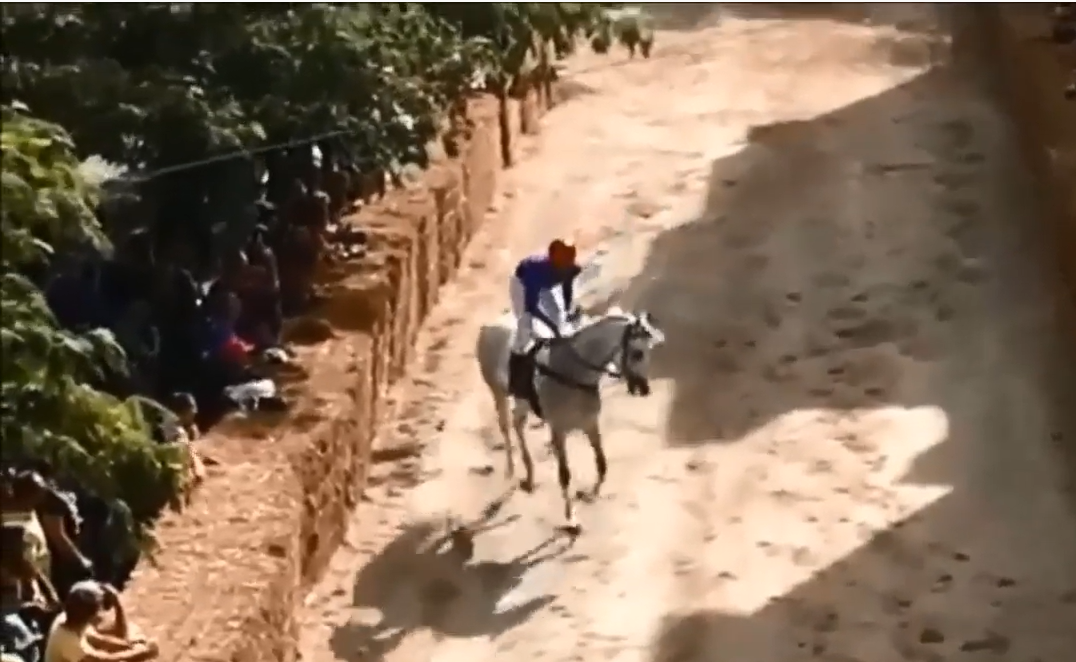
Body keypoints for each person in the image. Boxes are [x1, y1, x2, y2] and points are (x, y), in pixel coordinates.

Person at [507, 239, 582, 393]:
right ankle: (514, 376)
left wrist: (567, 312)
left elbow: (566, 290)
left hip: (546, 285)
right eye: (565, 262)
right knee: (525, 325)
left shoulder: (570, 268)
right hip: (522, 283)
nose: (568, 265)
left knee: (558, 315)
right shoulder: (536, 273)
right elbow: (532, 307)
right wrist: (551, 325)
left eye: (570, 260)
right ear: (555, 260)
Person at [43, 580, 157, 662]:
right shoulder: (68, 642)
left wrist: (131, 646)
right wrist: (140, 652)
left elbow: (101, 640)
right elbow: (103, 659)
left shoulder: (70, 619)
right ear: (91, 614)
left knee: (133, 632)